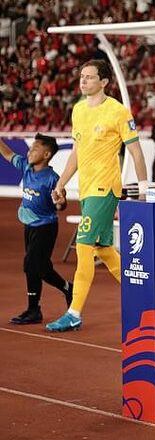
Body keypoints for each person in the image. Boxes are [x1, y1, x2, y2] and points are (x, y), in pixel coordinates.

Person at [48, 59, 149, 332]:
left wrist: (143, 186)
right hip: (87, 188)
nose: (83, 81)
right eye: (82, 76)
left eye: (90, 77)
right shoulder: (79, 110)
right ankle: (146, 297)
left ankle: (74, 312)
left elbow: (136, 151)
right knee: (105, 250)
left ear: (104, 82)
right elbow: (78, 152)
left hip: (105, 189)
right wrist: (61, 181)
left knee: (83, 246)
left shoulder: (117, 111)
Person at [0, 134, 72, 325]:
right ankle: (68, 288)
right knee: (42, 268)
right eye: (30, 147)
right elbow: (7, 153)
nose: (30, 150)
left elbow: (61, 205)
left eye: (35, 148)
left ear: (47, 154)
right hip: (29, 227)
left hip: (45, 227)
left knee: (31, 265)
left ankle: (34, 310)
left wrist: (60, 202)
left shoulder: (53, 179)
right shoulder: (26, 167)